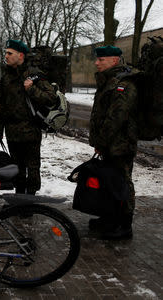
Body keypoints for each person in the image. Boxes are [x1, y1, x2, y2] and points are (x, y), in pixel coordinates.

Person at [0, 39, 58, 195]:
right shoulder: (7, 77)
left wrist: (32, 89)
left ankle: (31, 200)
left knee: (32, 168)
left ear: (20, 55)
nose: (6, 56)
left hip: (30, 131)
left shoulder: (34, 74)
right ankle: (19, 198)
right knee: (16, 167)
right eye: (5, 53)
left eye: (9, 53)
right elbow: (0, 104)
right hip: (12, 131)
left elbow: (51, 98)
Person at [88, 45, 138, 239]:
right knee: (109, 182)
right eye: (97, 59)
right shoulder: (109, 81)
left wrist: (101, 141)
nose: (96, 63)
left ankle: (125, 225)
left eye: (101, 59)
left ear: (115, 60)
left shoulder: (124, 84)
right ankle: (109, 219)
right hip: (109, 144)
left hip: (121, 145)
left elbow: (116, 117)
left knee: (123, 183)